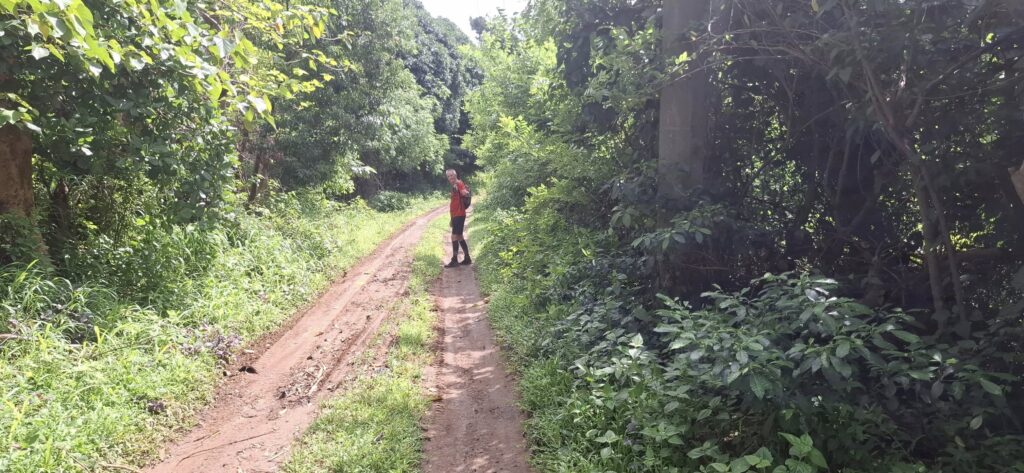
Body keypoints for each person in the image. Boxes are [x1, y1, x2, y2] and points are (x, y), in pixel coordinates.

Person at [445, 169, 471, 268]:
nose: (450, 177)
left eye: (452, 175)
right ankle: (467, 258)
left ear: (455, 175)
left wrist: (465, 193)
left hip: (459, 214)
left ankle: (454, 260)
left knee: (454, 236)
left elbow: (465, 192)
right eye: (448, 176)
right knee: (459, 237)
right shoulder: (454, 185)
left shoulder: (459, 183)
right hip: (456, 215)